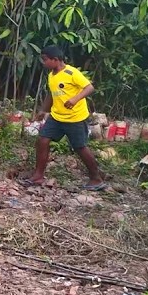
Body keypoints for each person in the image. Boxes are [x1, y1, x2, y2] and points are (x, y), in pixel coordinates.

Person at [25, 45, 107, 190]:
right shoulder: (51, 75)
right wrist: (43, 110)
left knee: (80, 147)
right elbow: (52, 94)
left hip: (75, 118)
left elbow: (89, 88)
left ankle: (96, 178)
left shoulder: (71, 73)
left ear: (55, 59)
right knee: (42, 140)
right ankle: (38, 175)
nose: (43, 63)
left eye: (45, 60)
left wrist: (75, 99)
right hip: (57, 117)